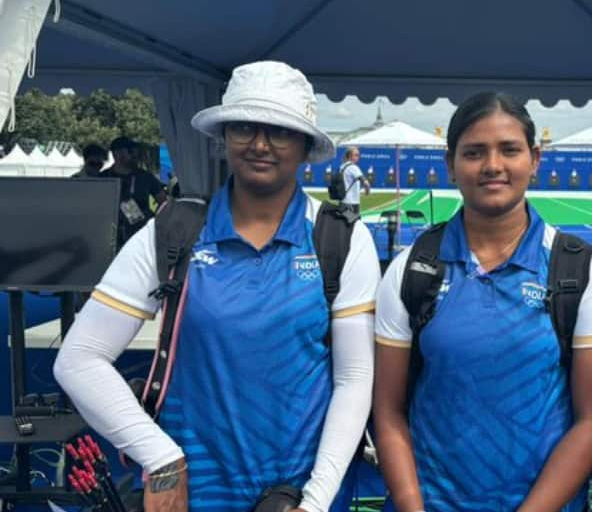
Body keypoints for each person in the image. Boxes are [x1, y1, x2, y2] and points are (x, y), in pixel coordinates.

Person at [54, 61, 381, 512]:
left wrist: (316, 500)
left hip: (304, 491)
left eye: (280, 131)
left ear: (305, 146)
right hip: (196, 492)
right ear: (224, 138)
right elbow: (78, 360)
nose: (261, 144)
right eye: (245, 127)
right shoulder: (176, 229)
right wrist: (161, 457)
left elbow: (354, 378)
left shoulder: (339, 237)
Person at [373, 92, 592, 512]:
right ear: (450, 164)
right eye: (474, 153)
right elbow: (388, 411)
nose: (492, 166)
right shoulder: (412, 269)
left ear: (534, 159)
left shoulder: (577, 269)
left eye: (509, 150)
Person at [100, 136, 167, 246]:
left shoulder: (145, 177)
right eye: (131, 151)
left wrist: (154, 222)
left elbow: (164, 202)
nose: (136, 155)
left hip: (139, 237)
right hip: (109, 238)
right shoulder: (103, 178)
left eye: (137, 151)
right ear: (117, 154)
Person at [340, 146, 370, 213]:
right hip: (352, 203)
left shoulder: (342, 166)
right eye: (356, 155)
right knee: (355, 223)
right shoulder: (353, 167)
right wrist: (367, 191)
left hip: (343, 202)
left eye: (358, 155)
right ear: (350, 156)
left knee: (345, 222)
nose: (358, 157)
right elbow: (365, 182)